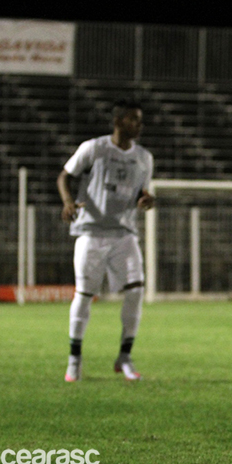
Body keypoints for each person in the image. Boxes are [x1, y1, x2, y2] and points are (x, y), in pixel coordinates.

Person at [57, 98, 155, 382]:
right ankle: (74, 359)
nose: (138, 125)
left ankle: (124, 356)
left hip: (124, 234)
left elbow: (139, 191)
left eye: (140, 119)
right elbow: (64, 175)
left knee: (136, 290)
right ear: (118, 121)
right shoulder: (94, 148)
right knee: (85, 295)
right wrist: (67, 202)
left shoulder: (144, 158)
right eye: (133, 119)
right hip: (91, 233)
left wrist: (145, 199)